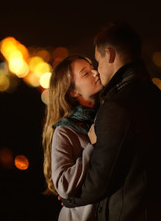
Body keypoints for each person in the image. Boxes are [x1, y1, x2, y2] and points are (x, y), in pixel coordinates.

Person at [61, 22, 161, 220]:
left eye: (98, 62)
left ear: (110, 54)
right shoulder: (160, 99)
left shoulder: (118, 106)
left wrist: (69, 199)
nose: (98, 71)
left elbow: (101, 177)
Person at [42, 55, 103, 220]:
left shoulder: (104, 115)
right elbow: (63, 185)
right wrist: (91, 145)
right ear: (73, 92)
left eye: (92, 68)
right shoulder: (65, 131)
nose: (96, 73)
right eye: (86, 73)